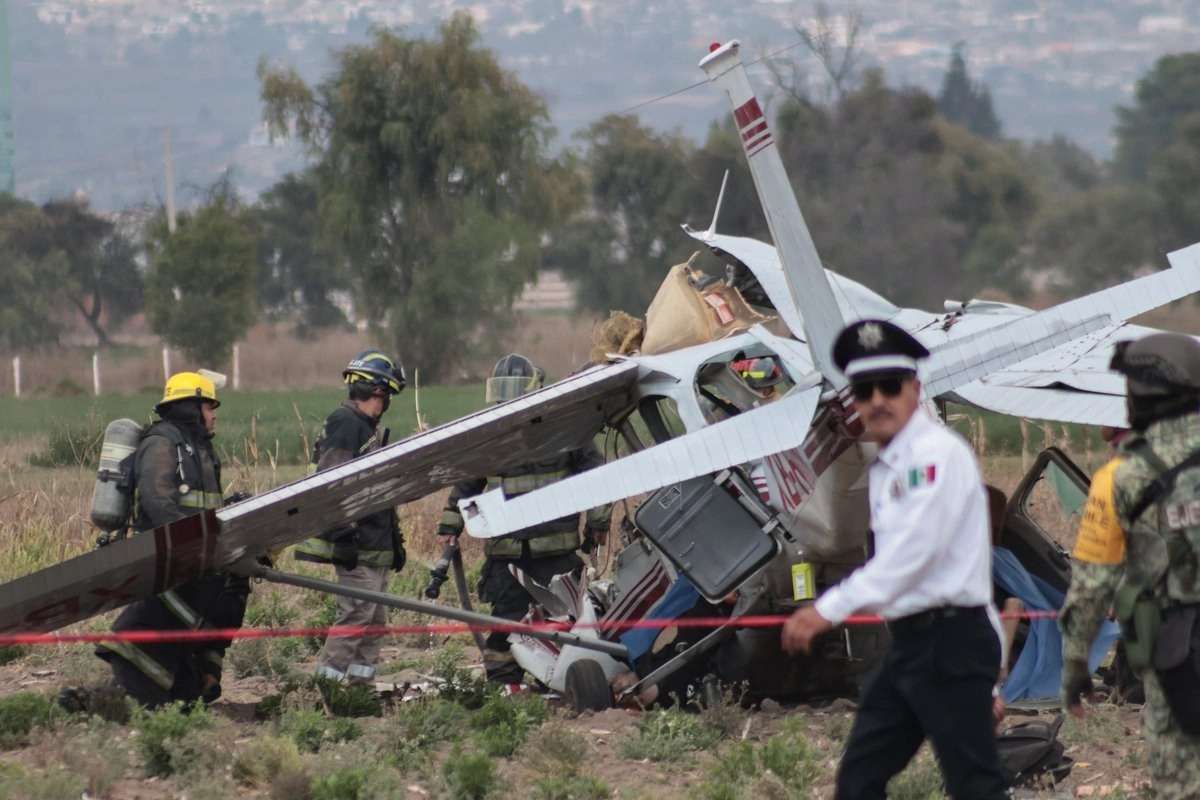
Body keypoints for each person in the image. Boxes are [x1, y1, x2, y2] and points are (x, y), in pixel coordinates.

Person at [781, 319, 1008, 800]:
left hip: (950, 645)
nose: (878, 400)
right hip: (914, 644)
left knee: (974, 786)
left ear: (915, 389)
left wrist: (827, 609)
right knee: (859, 780)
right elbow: (960, 571)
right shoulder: (890, 464)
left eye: (890, 386)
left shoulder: (932, 456)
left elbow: (915, 556)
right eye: (865, 390)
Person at [1060, 333, 1200, 799]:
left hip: (1178, 653)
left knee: (1178, 780)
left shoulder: (1120, 477)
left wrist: (1076, 661)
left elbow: (1091, 583)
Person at [437, 354, 613, 685]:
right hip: (508, 554)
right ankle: (505, 690)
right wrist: (450, 526)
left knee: (566, 624)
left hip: (555, 553)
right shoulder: (490, 434)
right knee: (506, 626)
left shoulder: (566, 429)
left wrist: (598, 522)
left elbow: (597, 476)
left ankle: (569, 682)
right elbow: (467, 483)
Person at [95, 371, 249, 708]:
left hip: (198, 554)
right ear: (191, 407)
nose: (214, 414)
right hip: (167, 554)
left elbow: (205, 507)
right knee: (167, 613)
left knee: (230, 592)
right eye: (210, 407)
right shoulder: (162, 443)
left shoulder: (200, 449)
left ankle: (198, 678)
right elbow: (156, 500)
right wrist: (192, 540)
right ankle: (130, 687)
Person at [295, 350, 407, 685]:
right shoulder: (345, 424)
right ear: (378, 391)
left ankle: (359, 688)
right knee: (356, 615)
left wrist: (394, 542)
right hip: (357, 545)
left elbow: (376, 493)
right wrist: (342, 534)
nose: (387, 401)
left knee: (374, 619)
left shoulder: (367, 428)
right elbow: (332, 483)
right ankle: (327, 688)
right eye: (387, 394)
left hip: (375, 544)